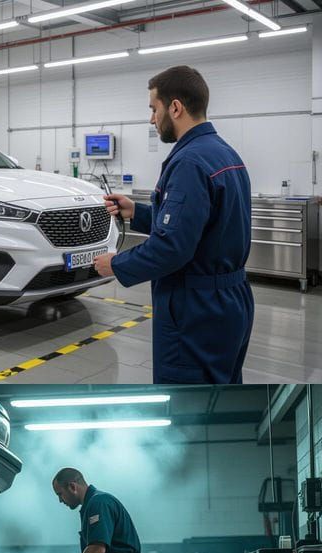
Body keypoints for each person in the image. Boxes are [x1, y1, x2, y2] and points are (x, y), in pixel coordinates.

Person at [94, 65, 253, 384]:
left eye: (154, 109)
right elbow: (199, 225)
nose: (151, 119)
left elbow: (172, 247)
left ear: (175, 107)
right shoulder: (225, 153)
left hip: (196, 310)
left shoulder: (189, 162)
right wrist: (136, 212)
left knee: (186, 392)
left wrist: (116, 264)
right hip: (231, 302)